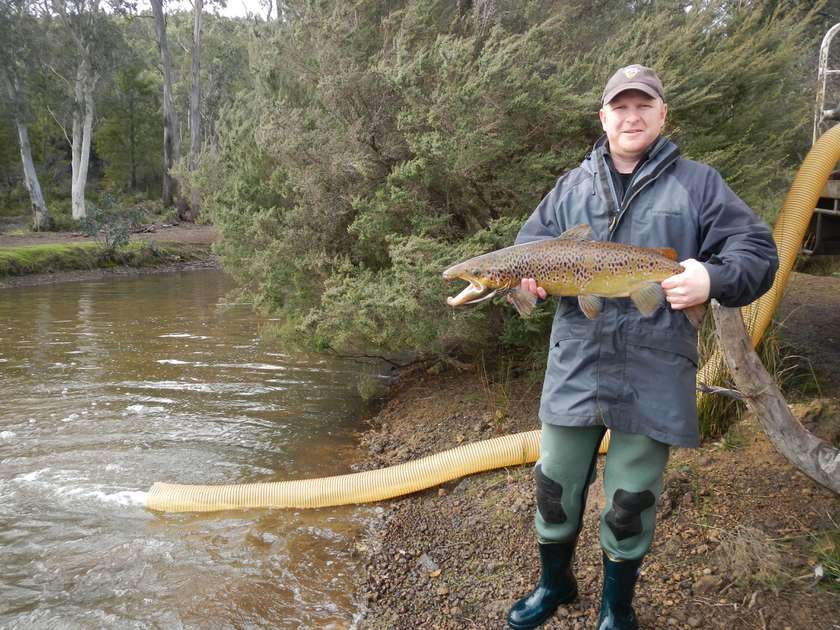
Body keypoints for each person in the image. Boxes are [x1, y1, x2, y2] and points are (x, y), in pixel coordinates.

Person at [505, 65, 779, 630]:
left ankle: (617, 608)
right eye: (620, 108)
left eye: (643, 107)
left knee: (630, 502)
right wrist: (525, 279)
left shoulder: (700, 184)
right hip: (575, 365)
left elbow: (756, 252)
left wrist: (712, 279)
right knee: (554, 487)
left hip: (655, 370)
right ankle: (554, 585)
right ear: (603, 117)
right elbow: (527, 246)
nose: (631, 117)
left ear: (662, 115)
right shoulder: (570, 186)